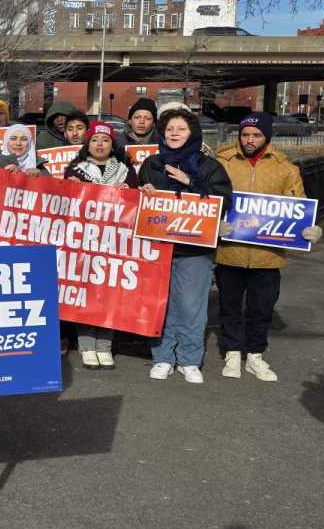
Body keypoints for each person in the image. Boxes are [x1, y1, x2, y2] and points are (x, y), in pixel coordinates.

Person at [214, 112, 322, 381]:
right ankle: (232, 352)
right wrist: (214, 225)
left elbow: (298, 205)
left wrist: (310, 228)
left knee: (261, 307)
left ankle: (255, 355)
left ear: (267, 137)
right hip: (230, 250)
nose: (250, 140)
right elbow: (209, 198)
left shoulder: (285, 167)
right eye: (245, 134)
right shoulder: (223, 162)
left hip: (268, 255)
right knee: (229, 305)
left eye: (256, 135)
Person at [139, 108, 233, 383]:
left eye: (180, 129)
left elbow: (223, 200)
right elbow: (136, 199)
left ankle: (190, 360)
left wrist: (190, 182)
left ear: (192, 133)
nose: (174, 133)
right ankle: (163, 357)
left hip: (194, 250)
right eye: (169, 129)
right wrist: (143, 191)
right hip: (158, 247)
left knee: (192, 306)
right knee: (162, 305)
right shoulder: (152, 164)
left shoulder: (209, 166)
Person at [65, 122, 140, 370]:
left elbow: (137, 203)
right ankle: (87, 345)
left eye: (105, 140)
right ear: (87, 143)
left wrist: (131, 192)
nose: (99, 144)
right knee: (85, 291)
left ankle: (105, 345)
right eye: (95, 139)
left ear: (112, 144)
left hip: (114, 242)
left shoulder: (126, 171)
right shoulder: (75, 170)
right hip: (84, 241)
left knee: (109, 291)